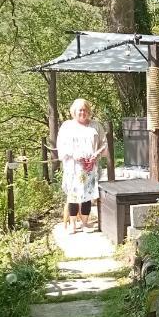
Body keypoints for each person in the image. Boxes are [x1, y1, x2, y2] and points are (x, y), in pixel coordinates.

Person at [56, 99, 107, 233]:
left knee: (87, 195)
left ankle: (85, 223)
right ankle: (73, 225)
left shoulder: (96, 126)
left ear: (88, 111)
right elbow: (61, 145)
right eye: (80, 110)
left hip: (90, 167)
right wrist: (73, 154)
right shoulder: (67, 126)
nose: (82, 113)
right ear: (74, 112)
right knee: (73, 196)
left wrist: (97, 154)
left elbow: (104, 144)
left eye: (85, 110)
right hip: (73, 167)